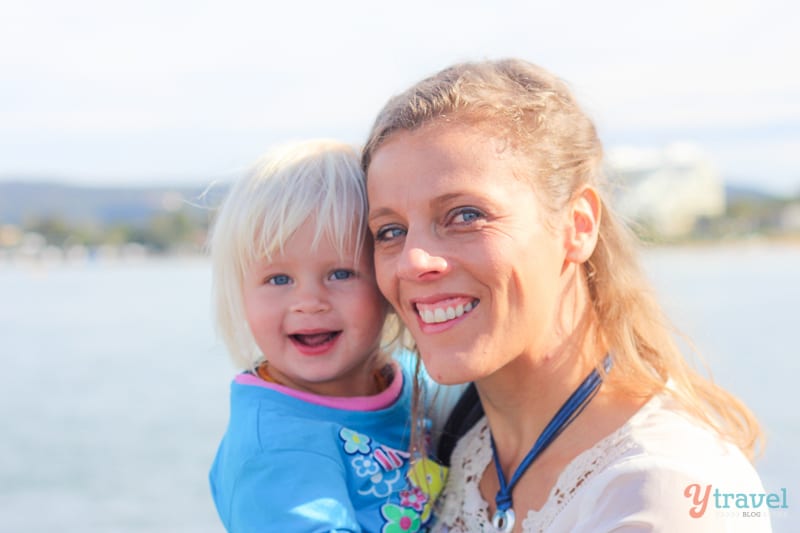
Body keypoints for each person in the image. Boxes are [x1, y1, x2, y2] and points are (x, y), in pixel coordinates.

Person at [362, 59, 771, 532]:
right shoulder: (456, 442)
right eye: (389, 230)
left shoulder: (663, 495)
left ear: (578, 226)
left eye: (465, 215)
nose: (413, 260)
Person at [208, 139, 449, 532]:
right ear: (241, 292)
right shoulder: (275, 452)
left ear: (385, 281)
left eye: (340, 273)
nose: (308, 302)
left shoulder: (413, 376)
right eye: (278, 278)